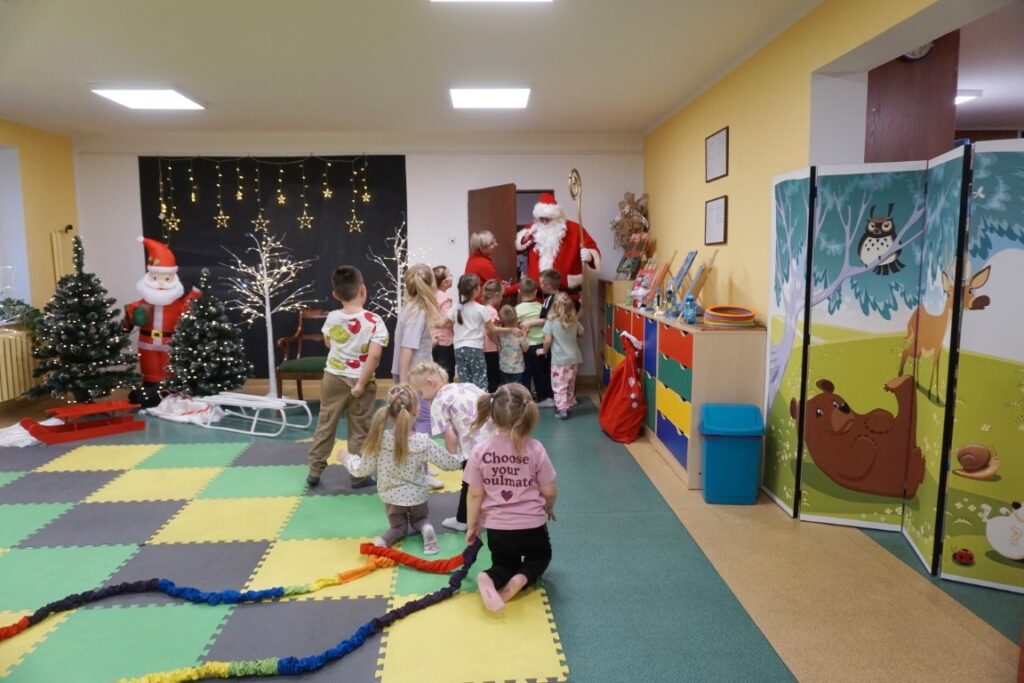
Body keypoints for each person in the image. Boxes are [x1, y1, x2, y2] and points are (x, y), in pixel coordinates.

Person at [465, 383, 557, 612]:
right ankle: (520, 579)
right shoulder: (535, 448)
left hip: (498, 529)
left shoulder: (480, 451)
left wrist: (472, 525)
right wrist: (548, 507)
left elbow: (474, 494)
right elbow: (549, 491)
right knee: (540, 557)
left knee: (504, 563)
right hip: (532, 526)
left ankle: (489, 577)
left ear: (492, 415)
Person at [344, 385, 462, 555]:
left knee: (398, 528)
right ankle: (426, 528)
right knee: (420, 519)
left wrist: (347, 458)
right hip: (417, 496)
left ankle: (382, 541)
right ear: (417, 410)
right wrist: (457, 451)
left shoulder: (380, 440)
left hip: (392, 498)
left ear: (389, 411)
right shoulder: (422, 441)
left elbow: (361, 470)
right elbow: (450, 464)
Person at [306, 266, 388, 489]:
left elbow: (329, 343)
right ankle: (358, 476)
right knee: (360, 427)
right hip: (362, 380)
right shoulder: (375, 320)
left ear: (335, 294)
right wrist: (361, 383)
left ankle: (315, 470)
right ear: (363, 289)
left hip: (333, 377)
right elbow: (374, 355)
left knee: (326, 422)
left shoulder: (333, 317)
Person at [407, 361, 498, 533]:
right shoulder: (464, 385)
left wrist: (453, 459)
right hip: (498, 436)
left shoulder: (438, 402)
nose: (423, 398)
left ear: (429, 383)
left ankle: (463, 520)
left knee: (469, 482)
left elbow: (449, 435)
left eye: (421, 393)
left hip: (475, 447)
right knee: (494, 477)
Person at [123, 237, 201, 407]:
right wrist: (132, 313)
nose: (160, 283)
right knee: (150, 367)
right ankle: (150, 390)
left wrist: (195, 294)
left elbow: (187, 309)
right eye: (155, 278)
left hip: (169, 342)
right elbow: (131, 317)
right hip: (147, 341)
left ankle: (168, 390)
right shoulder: (143, 303)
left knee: (168, 367)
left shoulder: (177, 304)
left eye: (166, 279)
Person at [514, 193, 601, 304]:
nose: (544, 222)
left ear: (557, 216)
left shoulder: (575, 230)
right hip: (536, 297)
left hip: (567, 296)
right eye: (541, 219)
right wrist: (523, 240)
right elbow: (517, 250)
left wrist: (590, 256)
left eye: (548, 219)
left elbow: (594, 250)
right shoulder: (532, 230)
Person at [540, 293, 584, 420]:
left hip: (559, 360)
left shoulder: (551, 322)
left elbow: (548, 340)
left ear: (554, 306)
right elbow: (582, 333)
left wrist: (543, 351)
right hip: (574, 359)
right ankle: (568, 405)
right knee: (570, 384)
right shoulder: (574, 321)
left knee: (559, 385)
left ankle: (562, 410)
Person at [515, 277, 553, 407]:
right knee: (541, 374)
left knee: (525, 373)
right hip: (541, 345)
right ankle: (543, 398)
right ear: (536, 292)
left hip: (525, 346)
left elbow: (514, 326)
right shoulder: (541, 307)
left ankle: (526, 399)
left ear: (519, 292)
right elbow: (548, 321)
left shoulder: (517, 309)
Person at [464, 230, 518, 299]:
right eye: (492, 243)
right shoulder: (483, 263)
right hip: (482, 303)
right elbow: (501, 291)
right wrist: (520, 286)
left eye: (494, 241)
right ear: (482, 248)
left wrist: (500, 283)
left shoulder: (473, 257)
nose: (496, 244)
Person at [431, 265, 456, 382]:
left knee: (434, 371)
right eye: (450, 275)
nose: (452, 276)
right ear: (445, 282)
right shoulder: (445, 299)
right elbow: (447, 321)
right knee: (446, 372)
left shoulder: (431, 295)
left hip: (432, 339)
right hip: (445, 341)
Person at [481, 278, 505, 392]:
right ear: (496, 295)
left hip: (482, 347)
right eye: (501, 296)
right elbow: (490, 331)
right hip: (491, 349)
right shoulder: (493, 311)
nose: (502, 298)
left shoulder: (481, 309)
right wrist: (498, 344)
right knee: (493, 378)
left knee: (485, 377)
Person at [497, 305, 527, 386]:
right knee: (515, 388)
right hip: (517, 368)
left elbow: (499, 348)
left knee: (505, 387)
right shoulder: (519, 334)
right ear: (516, 318)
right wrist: (525, 334)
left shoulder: (500, 332)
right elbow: (525, 349)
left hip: (504, 367)